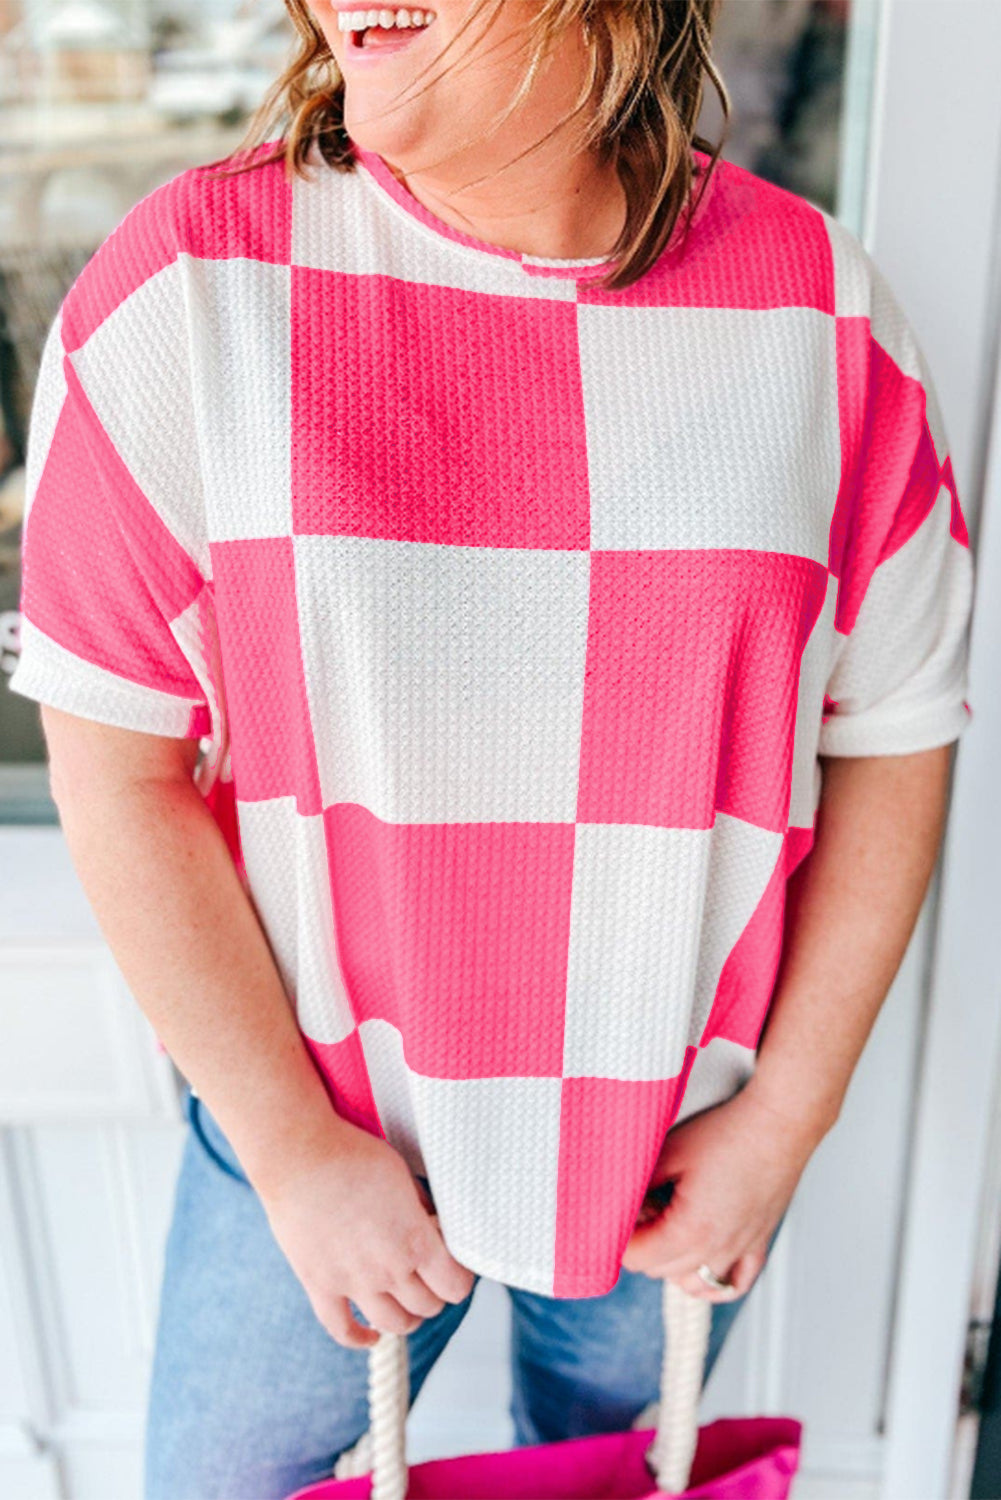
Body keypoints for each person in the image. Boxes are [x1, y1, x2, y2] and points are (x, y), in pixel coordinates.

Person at [8, 2, 976, 1497]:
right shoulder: (190, 290)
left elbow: (896, 736)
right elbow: (114, 762)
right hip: (314, 1119)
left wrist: (785, 1118)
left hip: (667, 1145)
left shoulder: (820, 312)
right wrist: (286, 1146)